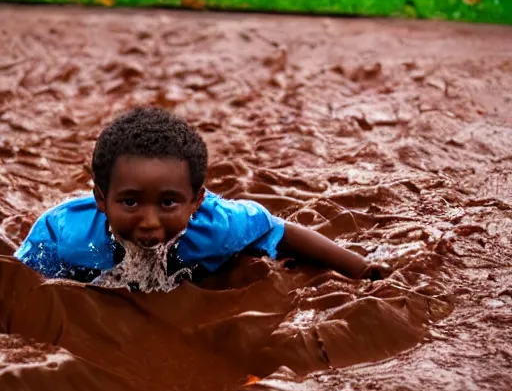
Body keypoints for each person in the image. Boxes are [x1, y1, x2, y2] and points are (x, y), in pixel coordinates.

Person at [14, 107, 382, 288]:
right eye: (129, 202)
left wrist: (360, 268)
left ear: (197, 201)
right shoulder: (61, 233)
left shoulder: (219, 225)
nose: (150, 221)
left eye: (169, 203)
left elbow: (279, 230)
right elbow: (20, 285)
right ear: (100, 199)